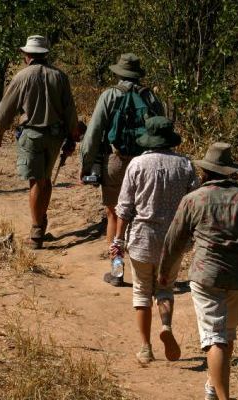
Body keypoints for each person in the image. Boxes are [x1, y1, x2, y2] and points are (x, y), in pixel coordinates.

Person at [158, 142, 238, 400]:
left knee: (216, 338)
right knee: (226, 334)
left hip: (207, 276)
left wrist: (164, 272)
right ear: (230, 172)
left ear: (205, 172)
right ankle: (212, 390)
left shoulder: (193, 199)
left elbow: (173, 241)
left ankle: (222, 397)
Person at [110, 116, 198, 365]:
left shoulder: (137, 165)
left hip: (142, 238)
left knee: (141, 292)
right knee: (165, 289)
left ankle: (146, 347)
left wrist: (117, 240)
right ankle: (167, 326)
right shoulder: (185, 165)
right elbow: (194, 204)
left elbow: (124, 208)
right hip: (173, 240)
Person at [80, 53, 164, 286]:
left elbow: (93, 135)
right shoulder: (151, 98)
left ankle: (117, 271)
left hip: (115, 161)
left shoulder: (109, 96)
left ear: (118, 73)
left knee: (114, 214)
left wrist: (86, 165)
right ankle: (148, 273)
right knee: (143, 216)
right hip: (146, 163)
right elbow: (162, 130)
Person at [0, 35, 79, 249]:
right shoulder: (60, 76)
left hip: (31, 135)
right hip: (55, 136)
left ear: (27, 55)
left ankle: (36, 231)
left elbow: (6, 109)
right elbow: (70, 111)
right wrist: (72, 136)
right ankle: (40, 222)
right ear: (45, 54)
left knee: (35, 181)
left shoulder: (22, 77)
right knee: (45, 180)